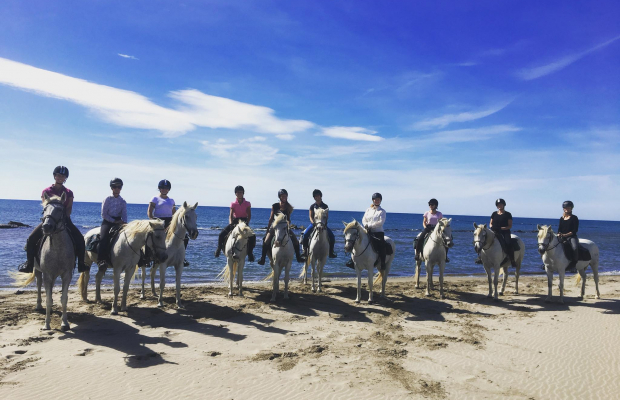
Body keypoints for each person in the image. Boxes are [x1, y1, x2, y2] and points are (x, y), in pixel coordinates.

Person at [18, 166, 87, 273]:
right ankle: (29, 264)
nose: (60, 177)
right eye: (58, 175)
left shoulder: (69, 192)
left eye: (62, 176)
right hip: (49, 220)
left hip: (64, 220)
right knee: (31, 239)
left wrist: (64, 219)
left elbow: (68, 208)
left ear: (65, 178)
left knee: (80, 239)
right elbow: (45, 206)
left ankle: (81, 264)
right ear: (54, 176)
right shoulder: (46, 191)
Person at [147, 179, 189, 266]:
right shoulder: (155, 198)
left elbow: (174, 213)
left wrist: (176, 223)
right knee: (148, 236)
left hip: (170, 221)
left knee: (185, 237)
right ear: (159, 188)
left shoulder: (171, 200)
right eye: (162, 188)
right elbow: (149, 211)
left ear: (168, 189)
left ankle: (182, 257)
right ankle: (147, 257)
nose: (164, 190)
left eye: (166, 188)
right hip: (158, 221)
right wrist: (152, 220)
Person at [257, 189, 305, 265]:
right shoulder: (275, 206)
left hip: (284, 227)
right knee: (266, 241)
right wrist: (268, 230)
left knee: (295, 240)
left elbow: (289, 219)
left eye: (285, 196)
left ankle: (298, 257)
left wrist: (288, 225)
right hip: (275, 226)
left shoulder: (288, 207)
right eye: (282, 196)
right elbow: (271, 218)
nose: (284, 197)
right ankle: (263, 259)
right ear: (280, 197)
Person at [214, 185, 256, 262]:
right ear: (235, 193)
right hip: (235, 221)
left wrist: (246, 223)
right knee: (221, 234)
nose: (239, 193)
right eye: (238, 192)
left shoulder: (247, 203)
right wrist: (231, 224)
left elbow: (249, 215)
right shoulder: (233, 204)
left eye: (241, 192)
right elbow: (230, 215)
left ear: (243, 193)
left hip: (244, 222)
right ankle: (219, 249)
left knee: (252, 236)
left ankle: (250, 253)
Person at [97, 178, 128, 266]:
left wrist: (125, 223)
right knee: (103, 237)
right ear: (112, 188)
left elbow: (124, 214)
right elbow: (104, 214)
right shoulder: (107, 199)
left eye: (119, 187)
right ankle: (101, 259)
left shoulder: (123, 201)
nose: (117, 189)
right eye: (115, 187)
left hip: (119, 221)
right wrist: (114, 221)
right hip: (108, 221)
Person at [301, 189, 337, 259]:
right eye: (315, 196)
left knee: (332, 236)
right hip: (314, 224)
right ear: (314, 197)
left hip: (323, 224)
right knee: (305, 234)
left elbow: (326, 217)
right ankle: (305, 252)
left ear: (320, 196)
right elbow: (310, 217)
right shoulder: (312, 206)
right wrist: (313, 223)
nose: (317, 197)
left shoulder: (325, 206)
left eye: (318, 196)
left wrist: (324, 224)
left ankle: (331, 252)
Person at [359, 192, 387, 270]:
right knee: (357, 241)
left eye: (378, 199)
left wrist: (370, 225)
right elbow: (364, 219)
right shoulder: (368, 210)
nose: (377, 201)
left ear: (380, 200)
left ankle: (382, 263)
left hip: (378, 232)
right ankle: (354, 261)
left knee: (381, 245)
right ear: (373, 200)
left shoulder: (382, 211)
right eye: (375, 199)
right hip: (367, 230)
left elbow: (381, 222)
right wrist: (365, 225)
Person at [489, 198, 517, 268]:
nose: (500, 205)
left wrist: (501, 228)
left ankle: (512, 259)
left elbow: (509, 226)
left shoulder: (508, 214)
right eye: (498, 204)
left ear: (504, 205)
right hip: (494, 231)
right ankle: (481, 258)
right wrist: (492, 227)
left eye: (501, 204)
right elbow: (491, 223)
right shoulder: (494, 214)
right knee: (485, 241)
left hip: (505, 232)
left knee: (508, 243)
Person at [558, 200, 579, 273]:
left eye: (569, 208)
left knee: (575, 247)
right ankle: (547, 263)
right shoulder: (561, 218)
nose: (567, 209)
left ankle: (574, 264)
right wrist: (559, 234)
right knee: (550, 244)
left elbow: (574, 230)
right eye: (566, 208)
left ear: (571, 208)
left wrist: (565, 235)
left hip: (571, 237)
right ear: (563, 208)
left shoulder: (574, 218)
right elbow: (559, 229)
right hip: (562, 237)